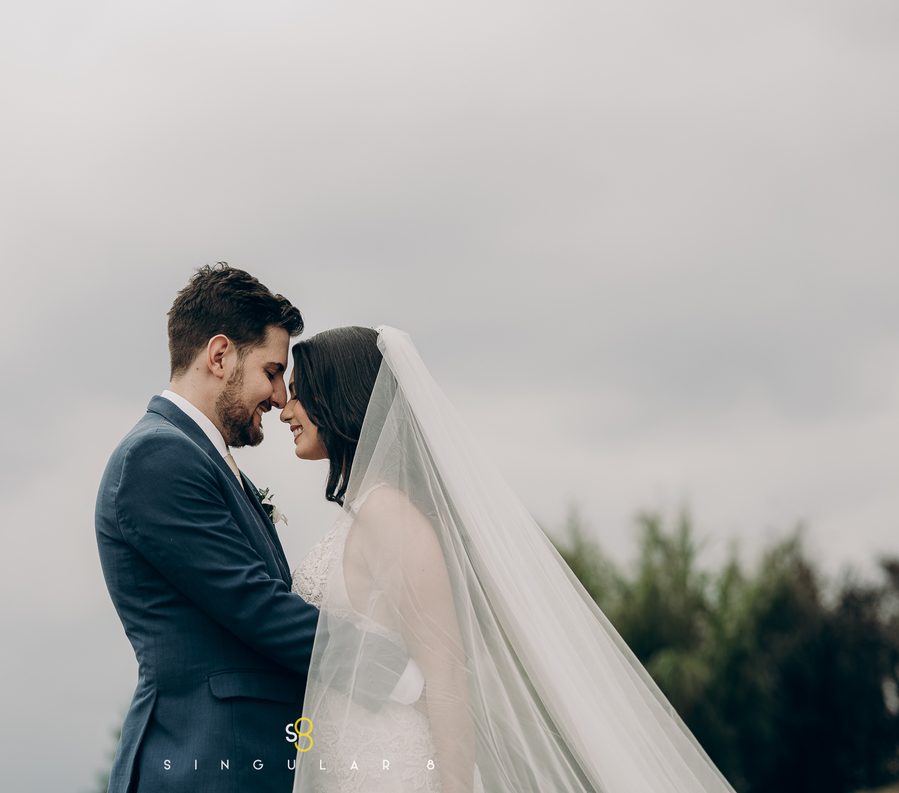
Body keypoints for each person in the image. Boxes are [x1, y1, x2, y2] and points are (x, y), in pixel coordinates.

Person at [283, 326, 738, 793]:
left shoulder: (388, 513)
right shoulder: (362, 513)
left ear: (337, 395)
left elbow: (446, 673)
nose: (284, 411)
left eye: (298, 394)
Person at [94, 267, 417, 793]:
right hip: (203, 758)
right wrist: (396, 670)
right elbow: (253, 602)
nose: (279, 396)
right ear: (220, 356)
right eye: (272, 372)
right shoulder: (157, 457)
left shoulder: (198, 458)